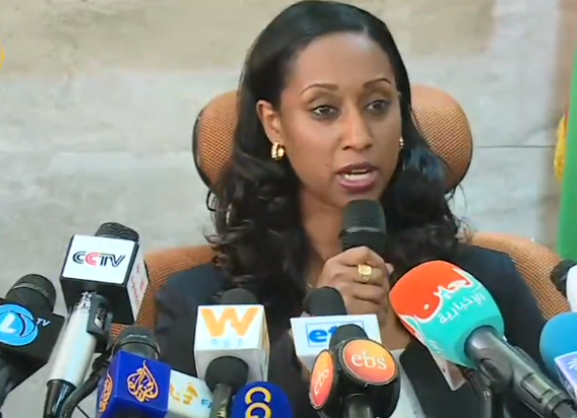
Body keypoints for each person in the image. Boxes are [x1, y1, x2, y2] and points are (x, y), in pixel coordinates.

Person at [155, 1, 547, 417]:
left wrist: (403, 339)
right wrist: (310, 349)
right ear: (274, 124)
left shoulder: (482, 286)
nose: (359, 136)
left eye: (377, 105)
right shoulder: (204, 309)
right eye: (324, 110)